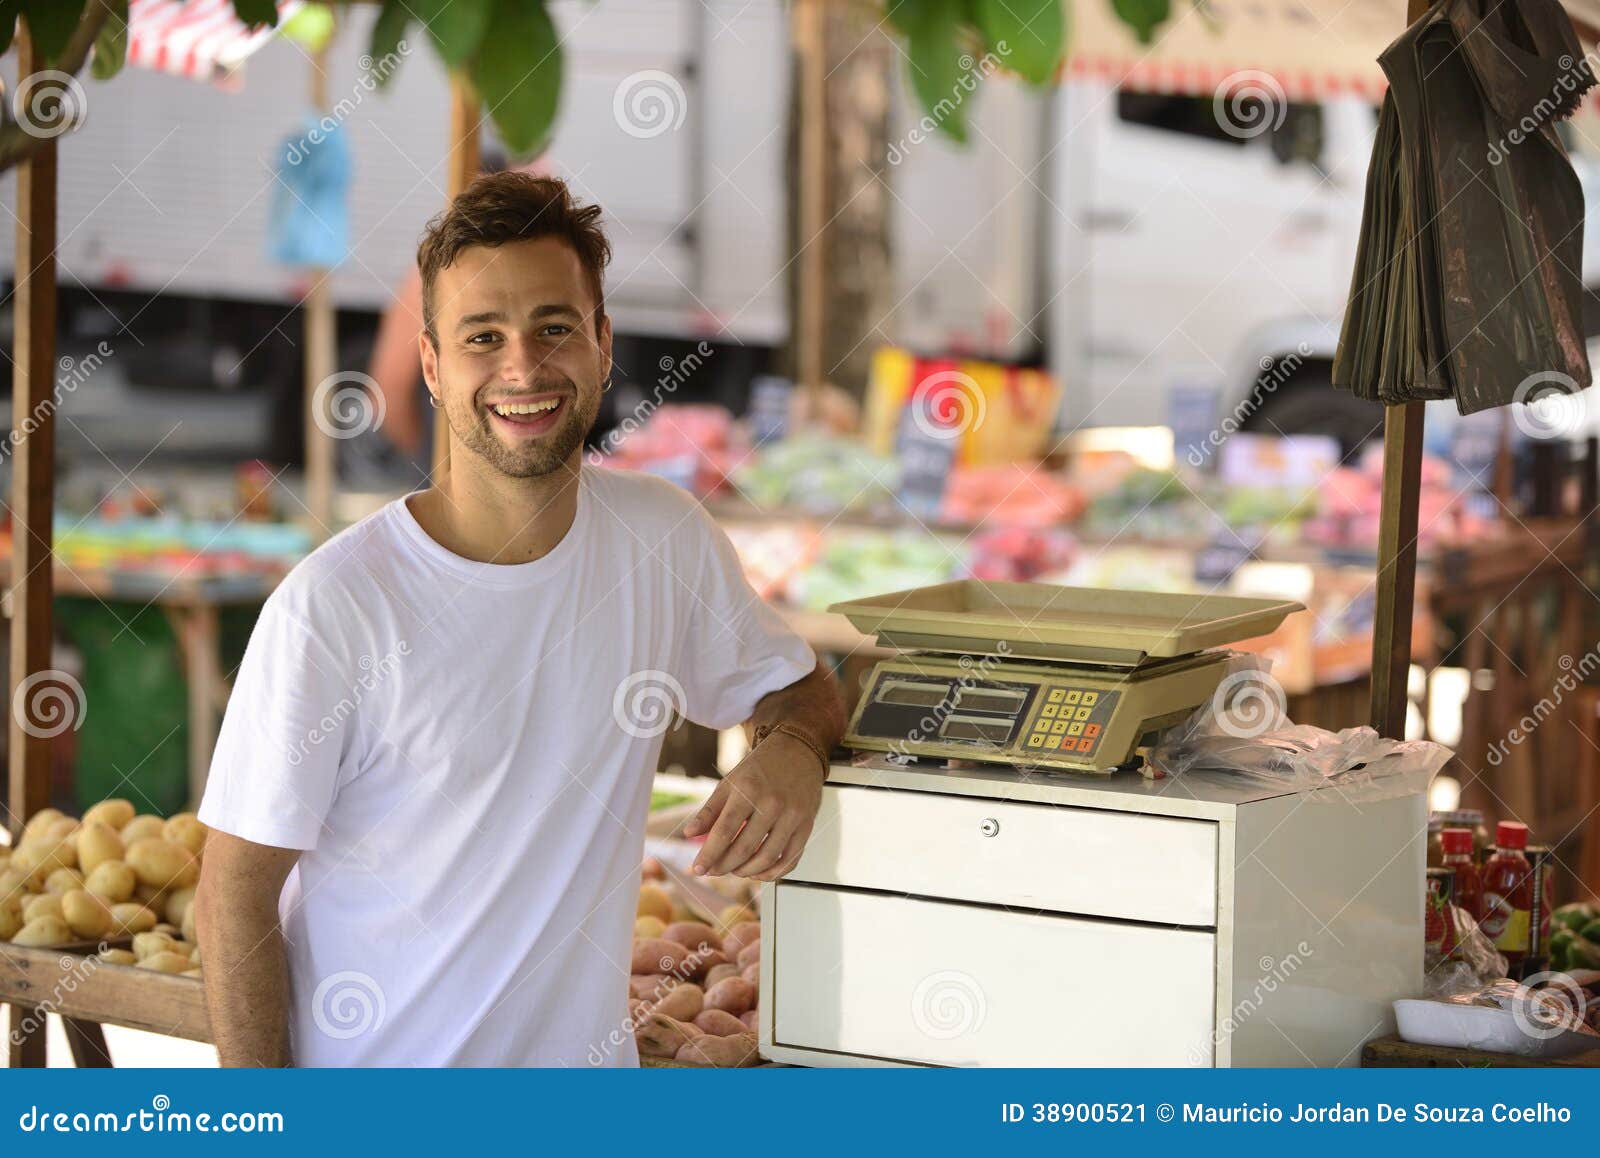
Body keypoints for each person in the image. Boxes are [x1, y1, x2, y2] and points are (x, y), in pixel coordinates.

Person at [194, 173, 845, 1067]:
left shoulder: (661, 539)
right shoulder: (334, 608)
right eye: (482, 338)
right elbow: (234, 892)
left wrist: (792, 748)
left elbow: (801, 690)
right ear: (430, 364)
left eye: (554, 328)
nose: (524, 369)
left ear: (603, 343)